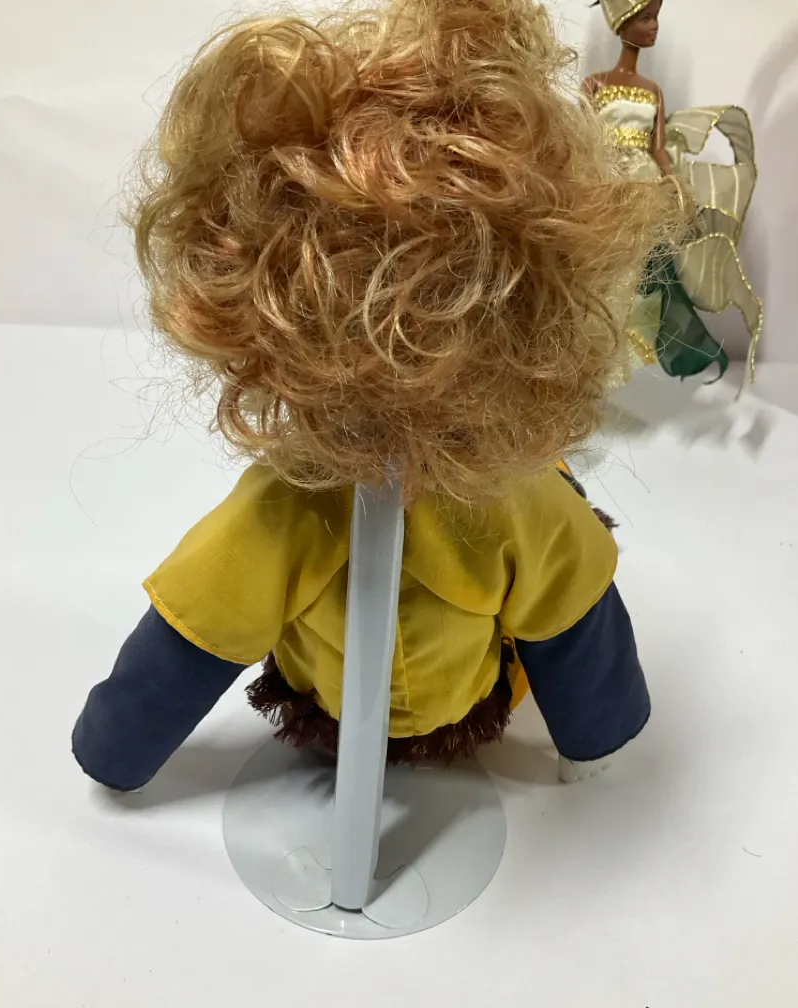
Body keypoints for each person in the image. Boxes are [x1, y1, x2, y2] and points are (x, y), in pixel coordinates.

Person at [73, 0, 682, 793]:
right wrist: (593, 743)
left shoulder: (286, 507)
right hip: (427, 711)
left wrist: (113, 753)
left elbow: (191, 633)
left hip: (339, 714)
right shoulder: (513, 506)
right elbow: (578, 622)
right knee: (550, 510)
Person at [584, 0, 763, 383]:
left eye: (656, 18)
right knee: (604, 269)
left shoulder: (652, 90)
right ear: (623, 22)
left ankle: (630, 350)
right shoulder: (595, 84)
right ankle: (596, 353)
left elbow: (659, 150)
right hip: (608, 184)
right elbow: (581, 141)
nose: (654, 26)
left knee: (648, 270)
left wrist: (678, 188)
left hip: (647, 187)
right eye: (646, 18)